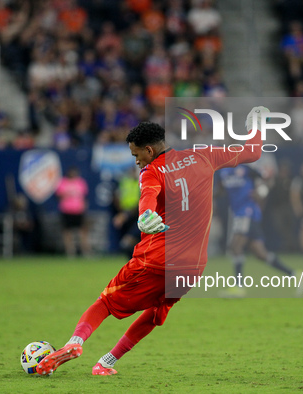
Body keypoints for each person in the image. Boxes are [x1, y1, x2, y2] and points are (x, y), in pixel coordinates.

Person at [36, 108, 265, 376]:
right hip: (193, 269)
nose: (136, 161)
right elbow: (253, 152)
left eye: (136, 155)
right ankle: (106, 362)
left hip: (155, 259)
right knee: (157, 312)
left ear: (149, 150)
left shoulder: (151, 171)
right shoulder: (205, 154)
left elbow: (148, 195)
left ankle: (74, 343)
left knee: (105, 302)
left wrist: (145, 214)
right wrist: (256, 127)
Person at [218, 164, 296, 297]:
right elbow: (221, 189)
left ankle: (239, 287)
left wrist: (261, 192)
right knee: (260, 253)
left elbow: (268, 178)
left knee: (235, 246)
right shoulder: (223, 170)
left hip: (247, 212)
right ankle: (295, 275)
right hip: (239, 213)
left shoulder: (247, 169)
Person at [55, 167, 91, 257]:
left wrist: (84, 207)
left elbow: (85, 197)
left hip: (79, 210)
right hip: (67, 210)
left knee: (82, 231)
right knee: (67, 232)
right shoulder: (63, 182)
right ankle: (70, 252)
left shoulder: (80, 182)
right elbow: (58, 196)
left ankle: (86, 251)